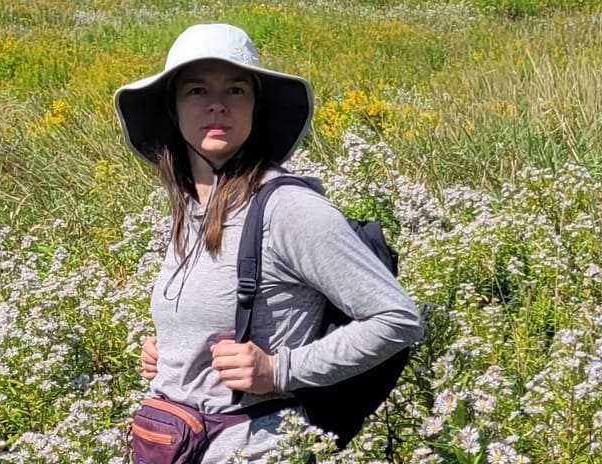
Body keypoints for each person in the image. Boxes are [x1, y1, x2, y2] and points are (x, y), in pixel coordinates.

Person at [114, 23, 423, 463]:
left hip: (255, 448)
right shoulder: (189, 207)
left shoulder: (289, 210)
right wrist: (175, 352)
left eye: (236, 90)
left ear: (256, 106)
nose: (217, 105)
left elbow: (398, 319)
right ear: (172, 108)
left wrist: (278, 371)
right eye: (197, 90)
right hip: (176, 445)